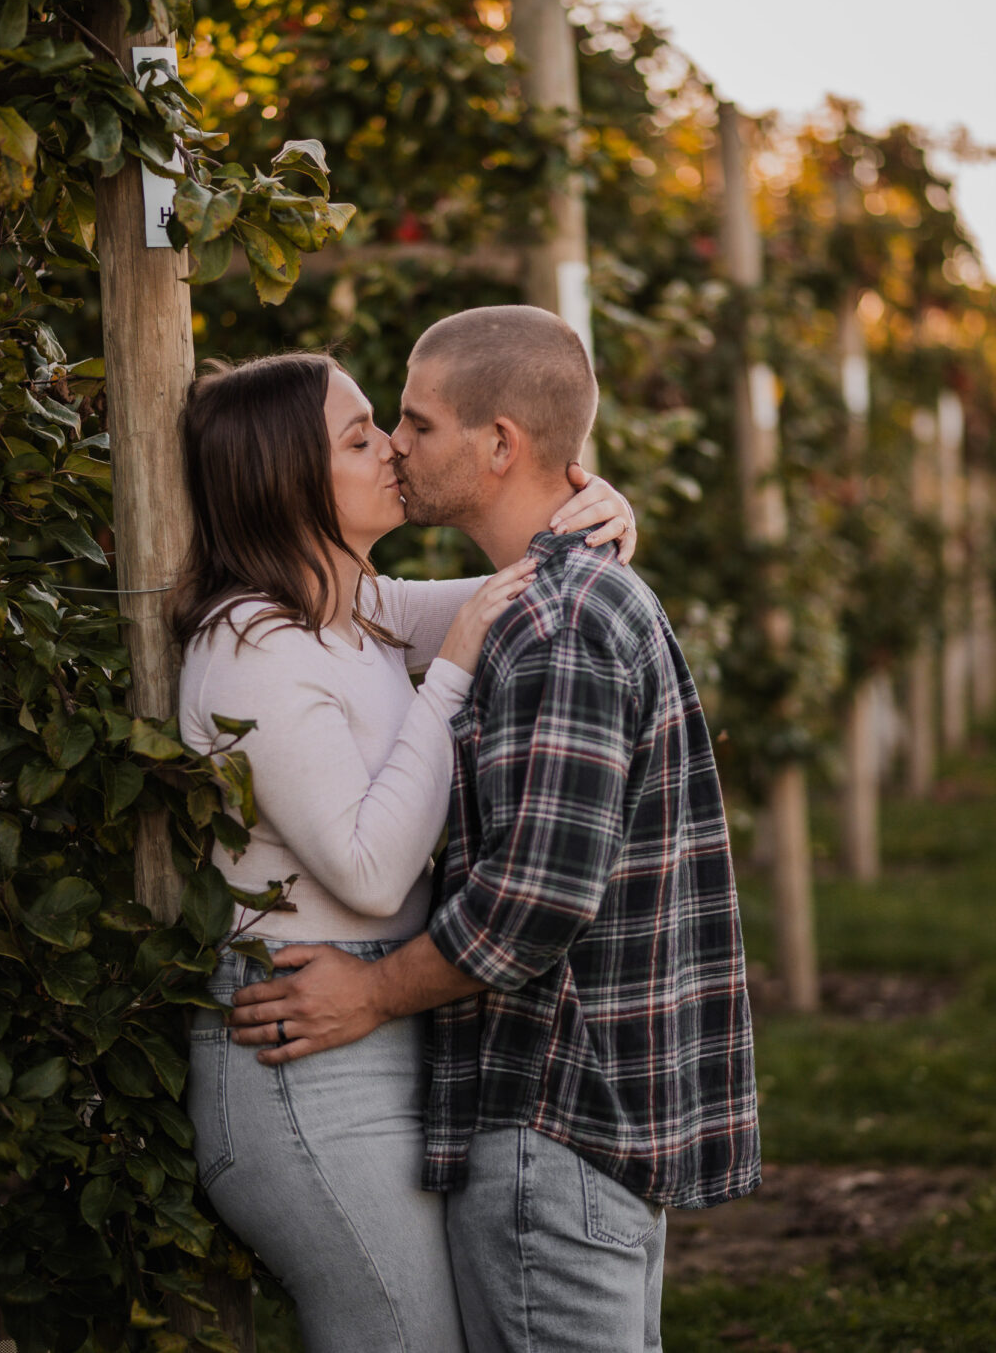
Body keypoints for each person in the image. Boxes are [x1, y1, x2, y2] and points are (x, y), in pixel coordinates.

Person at [230, 307, 761, 1353]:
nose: (396, 446)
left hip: (552, 1112)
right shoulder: (559, 598)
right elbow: (373, 607)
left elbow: (534, 904)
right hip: (588, 1109)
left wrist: (371, 990)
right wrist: (585, 513)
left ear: (501, 443)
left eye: (417, 424)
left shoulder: (556, 627)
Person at [173, 348, 637, 1353]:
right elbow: (373, 868)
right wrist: (454, 670)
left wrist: (591, 506)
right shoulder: (249, 648)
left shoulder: (354, 613)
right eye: (356, 438)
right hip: (296, 1057)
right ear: (286, 482)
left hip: (383, 1031)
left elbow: (519, 582)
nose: (389, 447)